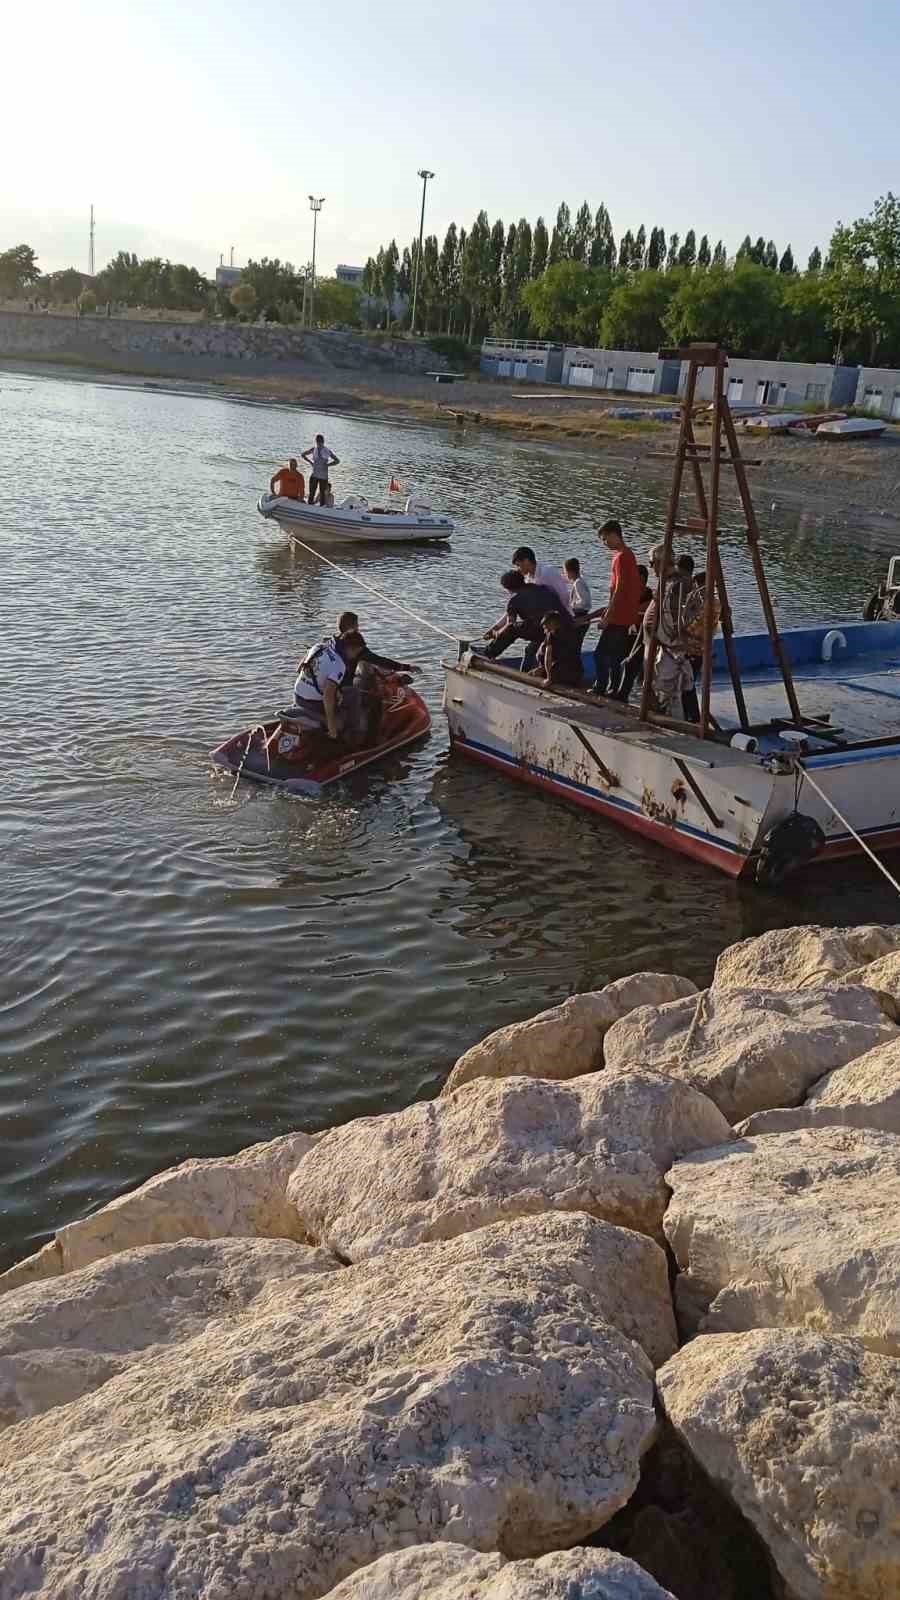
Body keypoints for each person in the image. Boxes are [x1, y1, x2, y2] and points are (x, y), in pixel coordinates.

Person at [583, 520, 641, 696]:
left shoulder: (622, 556)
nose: (604, 543)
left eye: (605, 538)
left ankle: (601, 687)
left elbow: (620, 587)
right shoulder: (626, 555)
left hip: (619, 615)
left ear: (615, 534)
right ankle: (614, 688)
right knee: (615, 656)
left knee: (600, 654)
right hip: (624, 614)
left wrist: (608, 615)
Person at [483, 570, 565, 672]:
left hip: (540, 629)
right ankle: (525, 672)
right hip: (556, 626)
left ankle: (488, 653)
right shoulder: (540, 588)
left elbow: (510, 624)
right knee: (530, 650)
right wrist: (495, 629)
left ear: (508, 588)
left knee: (512, 630)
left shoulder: (514, 600)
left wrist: (496, 633)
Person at [292, 629, 366, 740]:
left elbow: (299, 669)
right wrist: (332, 727)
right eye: (357, 652)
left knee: (339, 693)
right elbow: (328, 696)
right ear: (350, 648)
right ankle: (354, 733)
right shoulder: (339, 664)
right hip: (313, 704)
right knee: (353, 693)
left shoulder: (318, 647)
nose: (356, 656)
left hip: (297, 696)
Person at [681, 570, 721, 722]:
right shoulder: (709, 603)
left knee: (687, 684)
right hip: (697, 647)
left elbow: (692, 627)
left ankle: (693, 717)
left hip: (695, 648)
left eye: (698, 586)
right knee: (688, 683)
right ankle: (692, 715)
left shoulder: (709, 605)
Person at [335, 611, 421, 681]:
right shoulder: (355, 646)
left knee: (368, 665)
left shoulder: (331, 641)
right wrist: (408, 667)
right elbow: (380, 661)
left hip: (331, 680)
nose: (358, 628)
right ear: (351, 628)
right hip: (344, 683)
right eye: (357, 625)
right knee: (368, 666)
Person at [614, 565, 654, 703]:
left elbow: (638, 612)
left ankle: (623, 694)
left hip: (644, 636)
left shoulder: (650, 596)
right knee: (621, 659)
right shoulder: (629, 594)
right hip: (631, 633)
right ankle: (617, 690)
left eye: (640, 580)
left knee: (631, 663)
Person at [511, 547, 573, 613]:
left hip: (560, 615)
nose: (517, 569)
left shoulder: (547, 572)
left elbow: (564, 596)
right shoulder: (528, 579)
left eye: (518, 565)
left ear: (526, 561)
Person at [534, 612, 584, 688]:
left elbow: (548, 658)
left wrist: (549, 678)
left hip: (562, 671)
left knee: (535, 674)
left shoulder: (551, 635)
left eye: (545, 627)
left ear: (552, 624)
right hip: (578, 671)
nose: (544, 631)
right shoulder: (573, 631)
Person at [302, 434, 340, 505]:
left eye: (320, 442)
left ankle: (320, 507)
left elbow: (337, 461)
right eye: (318, 442)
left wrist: (328, 465)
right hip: (317, 475)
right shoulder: (316, 449)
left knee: (321, 495)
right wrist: (311, 462)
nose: (319, 444)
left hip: (321, 476)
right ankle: (312, 506)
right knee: (313, 494)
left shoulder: (325, 451)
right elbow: (303, 454)